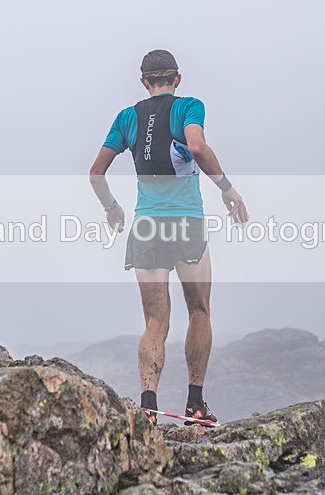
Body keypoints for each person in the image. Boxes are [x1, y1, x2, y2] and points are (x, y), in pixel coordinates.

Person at [89, 50, 249, 425]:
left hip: (147, 226)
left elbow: (96, 173)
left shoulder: (127, 118)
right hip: (187, 224)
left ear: (144, 83)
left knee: (155, 321)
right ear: (177, 79)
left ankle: (148, 407)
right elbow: (196, 146)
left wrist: (110, 207)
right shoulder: (188, 107)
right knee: (199, 310)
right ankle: (195, 405)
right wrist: (227, 188)